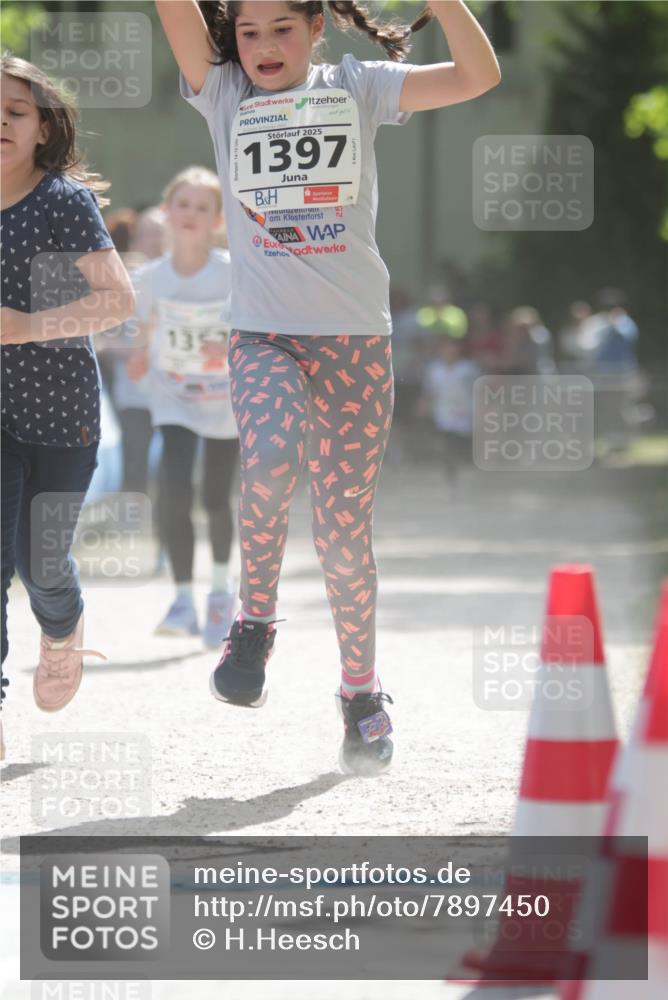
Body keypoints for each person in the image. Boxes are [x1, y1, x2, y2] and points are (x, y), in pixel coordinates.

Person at [156, 0, 501, 775]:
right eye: (247, 32)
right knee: (273, 458)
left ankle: (360, 695)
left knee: (345, 536)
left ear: (316, 28)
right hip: (264, 336)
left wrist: (444, 3)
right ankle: (255, 619)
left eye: (282, 28)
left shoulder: (359, 85)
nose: (264, 46)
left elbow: (481, 76)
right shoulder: (223, 95)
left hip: (355, 342)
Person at [0, 55, 136, 759]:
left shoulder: (61, 202)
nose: (0, 122)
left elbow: (118, 301)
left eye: (15, 112)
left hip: (59, 414)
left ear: (44, 129)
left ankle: (62, 628)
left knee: (41, 562)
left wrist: (23, 324)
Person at [128, 167, 239, 648]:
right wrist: (139, 350)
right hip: (173, 399)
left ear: (217, 218)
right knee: (173, 487)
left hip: (226, 402)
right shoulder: (149, 279)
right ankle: (182, 599)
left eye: (202, 207)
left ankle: (219, 592)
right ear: (167, 212)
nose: (191, 214)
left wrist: (227, 348)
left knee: (215, 498)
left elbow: (254, 331)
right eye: (183, 205)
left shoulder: (234, 272)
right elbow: (137, 346)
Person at [419, 330, 479, 486]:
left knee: (463, 445)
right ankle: (451, 477)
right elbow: (430, 391)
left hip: (465, 412)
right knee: (448, 445)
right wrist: (424, 403)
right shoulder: (434, 370)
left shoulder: (468, 369)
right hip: (443, 412)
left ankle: (466, 476)